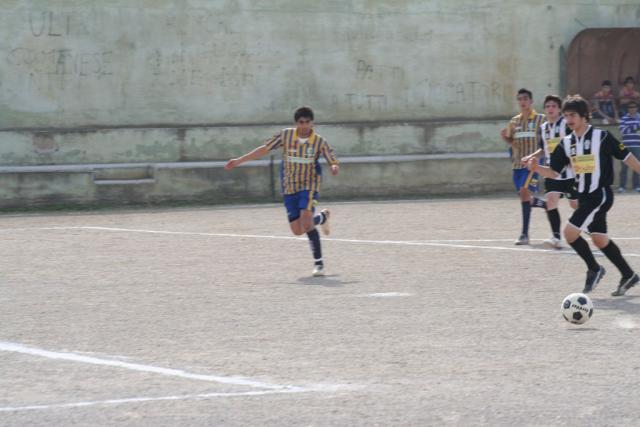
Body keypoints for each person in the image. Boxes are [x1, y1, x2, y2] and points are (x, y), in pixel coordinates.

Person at [527, 95, 640, 296]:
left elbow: (626, 156)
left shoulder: (601, 137)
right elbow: (554, 172)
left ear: (584, 116)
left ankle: (594, 269)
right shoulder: (566, 143)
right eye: (566, 115)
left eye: (573, 115)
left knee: (570, 233)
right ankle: (628, 274)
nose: (569, 119)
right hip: (584, 197)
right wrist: (536, 168)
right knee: (599, 239)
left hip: (600, 195)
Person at [225, 106, 339, 276]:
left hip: (309, 185)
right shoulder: (285, 135)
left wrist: (334, 166)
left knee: (306, 220)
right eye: (301, 122)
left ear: (312, 123)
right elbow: (264, 149)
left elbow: (331, 158)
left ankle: (319, 264)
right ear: (296, 123)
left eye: (307, 122)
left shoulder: (319, 141)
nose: (304, 125)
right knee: (297, 230)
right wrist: (239, 160)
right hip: (289, 186)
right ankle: (322, 217)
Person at [521, 95, 578, 249]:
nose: (550, 109)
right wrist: (531, 156)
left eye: (553, 106)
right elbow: (543, 149)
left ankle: (585, 224)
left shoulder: (566, 124)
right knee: (551, 201)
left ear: (559, 109)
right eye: (547, 106)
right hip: (551, 171)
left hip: (570, 172)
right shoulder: (543, 128)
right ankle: (556, 237)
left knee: (575, 205)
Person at [500, 88, 546, 245]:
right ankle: (542, 203)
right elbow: (512, 140)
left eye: (525, 98)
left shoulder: (541, 120)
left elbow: (547, 139)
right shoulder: (514, 121)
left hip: (532, 165)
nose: (522, 101)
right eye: (520, 99)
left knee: (524, 191)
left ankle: (524, 234)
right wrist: (506, 138)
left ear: (531, 101)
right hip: (517, 164)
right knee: (523, 195)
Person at [617, 101, 640, 193]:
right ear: (628, 109)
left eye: (634, 107)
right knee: (624, 168)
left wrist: (629, 127)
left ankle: (636, 186)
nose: (632, 108)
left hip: (637, 146)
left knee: (637, 167)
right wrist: (636, 126)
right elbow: (622, 131)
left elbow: (626, 130)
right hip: (624, 146)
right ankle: (622, 187)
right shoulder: (623, 118)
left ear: (637, 108)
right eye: (630, 107)